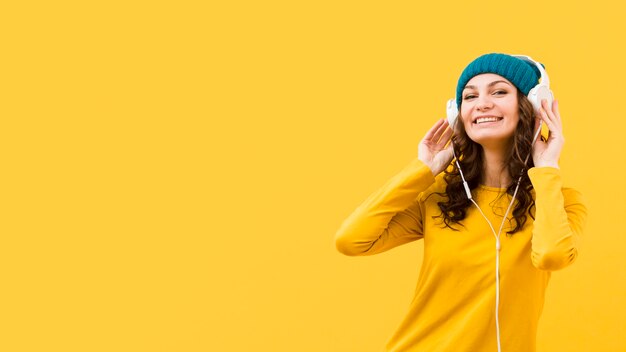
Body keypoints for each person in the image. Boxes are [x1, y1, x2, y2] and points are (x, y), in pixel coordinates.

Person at [334, 53, 587, 352]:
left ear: (530, 107)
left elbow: (551, 256)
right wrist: (423, 169)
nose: (482, 103)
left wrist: (546, 169)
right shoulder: (438, 197)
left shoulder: (558, 200)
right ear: (458, 114)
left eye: (499, 91)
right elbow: (351, 240)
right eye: (470, 96)